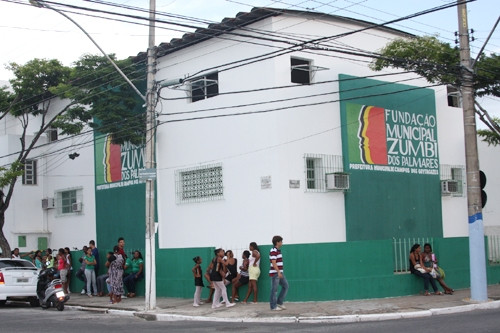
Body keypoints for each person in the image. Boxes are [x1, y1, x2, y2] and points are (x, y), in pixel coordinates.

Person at [269, 235, 289, 311]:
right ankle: (273, 306)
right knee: (274, 290)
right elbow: (274, 263)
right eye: (281, 241)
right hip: (275, 273)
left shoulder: (277, 250)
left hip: (279, 272)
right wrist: (278, 272)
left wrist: (280, 272)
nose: (282, 243)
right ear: (277, 242)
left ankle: (279, 302)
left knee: (286, 286)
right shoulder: (273, 250)